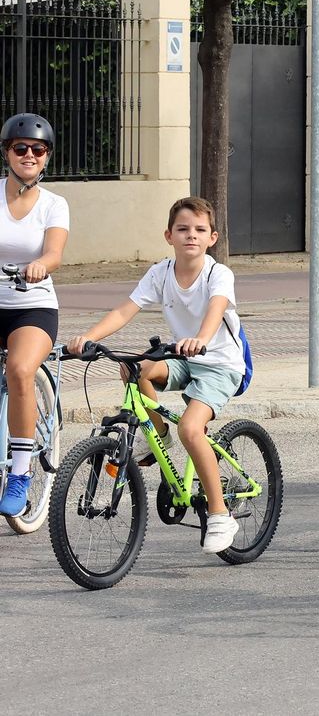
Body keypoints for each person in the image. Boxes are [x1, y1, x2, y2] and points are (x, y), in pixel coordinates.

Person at [66, 197, 247, 553]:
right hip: (182, 356)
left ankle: (220, 513)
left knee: (191, 429)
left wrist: (201, 340)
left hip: (221, 364)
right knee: (134, 369)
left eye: (199, 230)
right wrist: (89, 337)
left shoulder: (218, 274)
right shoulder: (160, 272)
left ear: (212, 237)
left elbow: (215, 309)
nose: (190, 236)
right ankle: (156, 438)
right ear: (169, 235)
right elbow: (124, 310)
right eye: (182, 229)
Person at [0, 114, 68, 519]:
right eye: (20, 147)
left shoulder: (54, 204)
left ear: (46, 158)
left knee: (21, 370)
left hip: (33, 305)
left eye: (37, 149)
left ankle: (21, 472)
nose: (28, 154)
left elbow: (55, 252)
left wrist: (40, 264)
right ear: (7, 152)